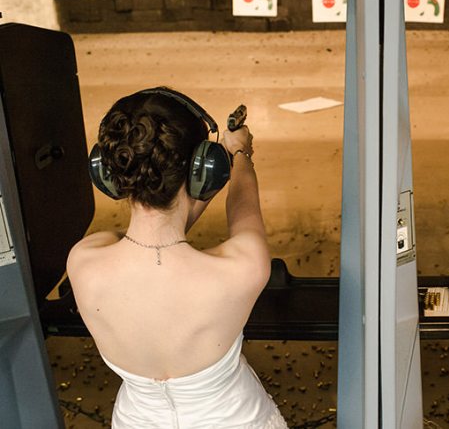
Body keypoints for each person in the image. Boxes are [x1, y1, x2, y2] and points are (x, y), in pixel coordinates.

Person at [67, 87, 288, 428]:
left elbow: (150, 238)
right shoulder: (244, 268)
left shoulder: (83, 262)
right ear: (204, 170)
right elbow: (245, 211)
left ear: (110, 174)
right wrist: (240, 153)